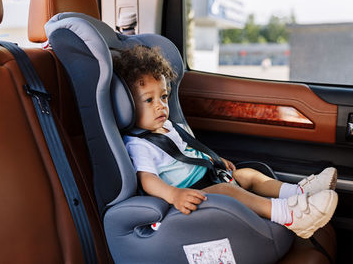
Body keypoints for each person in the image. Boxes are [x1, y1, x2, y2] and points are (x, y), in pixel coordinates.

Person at [113, 45, 338, 239]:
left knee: (248, 174)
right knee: (228, 190)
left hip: (205, 178)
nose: (160, 105)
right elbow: (147, 179)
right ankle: (289, 216)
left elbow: (187, 151)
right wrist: (174, 195)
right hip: (189, 195)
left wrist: (215, 160)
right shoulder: (138, 144)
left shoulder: (168, 126)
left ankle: (299, 193)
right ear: (128, 105)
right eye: (149, 100)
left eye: (163, 97)